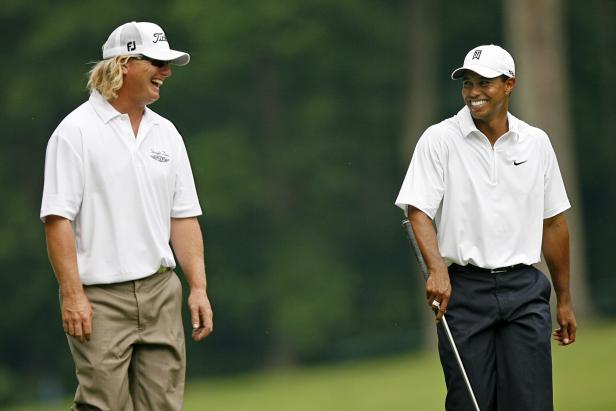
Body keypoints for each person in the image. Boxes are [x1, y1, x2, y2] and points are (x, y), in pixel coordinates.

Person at [40, 21, 213, 410]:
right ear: (122, 65)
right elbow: (57, 219)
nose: (166, 72)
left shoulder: (167, 134)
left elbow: (183, 218)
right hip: (100, 300)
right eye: (156, 62)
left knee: (163, 406)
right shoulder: (74, 133)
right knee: (103, 406)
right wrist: (72, 296)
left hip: (159, 291)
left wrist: (197, 287)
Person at [395, 44, 577, 411]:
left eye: (484, 82)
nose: (473, 91)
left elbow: (553, 222)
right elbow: (418, 210)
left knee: (531, 404)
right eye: (468, 83)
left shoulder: (536, 143)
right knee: (470, 403)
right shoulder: (439, 139)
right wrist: (437, 271)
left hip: (525, 289)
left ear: (509, 84)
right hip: (464, 292)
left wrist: (565, 299)